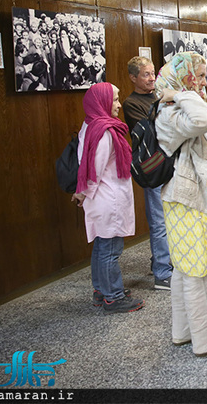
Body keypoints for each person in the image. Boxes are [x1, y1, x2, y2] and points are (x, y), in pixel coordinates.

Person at [154, 52, 207, 356]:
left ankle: (183, 332)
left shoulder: (179, 107)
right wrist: (179, 93)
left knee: (189, 268)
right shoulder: (171, 112)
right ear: (183, 78)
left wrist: (182, 94)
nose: (204, 82)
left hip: (197, 198)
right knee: (200, 270)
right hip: (188, 199)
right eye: (199, 76)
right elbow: (204, 121)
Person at [72, 82, 144, 314]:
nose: (118, 104)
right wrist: (83, 193)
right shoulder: (104, 132)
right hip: (107, 199)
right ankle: (113, 297)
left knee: (102, 247)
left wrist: (83, 194)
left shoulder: (90, 124)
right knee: (111, 249)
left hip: (100, 199)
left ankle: (101, 290)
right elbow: (94, 169)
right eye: (114, 100)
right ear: (101, 102)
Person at [122, 56, 174, 291]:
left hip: (168, 163)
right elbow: (150, 128)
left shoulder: (158, 95)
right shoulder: (131, 103)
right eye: (146, 74)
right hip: (152, 166)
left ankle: (160, 262)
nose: (152, 78)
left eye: (153, 73)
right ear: (133, 77)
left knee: (168, 219)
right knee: (158, 222)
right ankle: (162, 274)